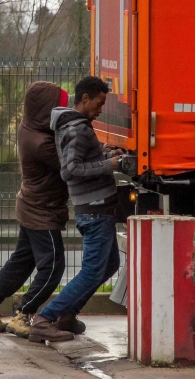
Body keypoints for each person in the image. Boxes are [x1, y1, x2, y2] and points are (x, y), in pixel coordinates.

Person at [0, 81, 73, 342]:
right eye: (59, 106)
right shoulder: (42, 143)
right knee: (52, 267)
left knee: (20, 263)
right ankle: (23, 314)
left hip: (31, 205)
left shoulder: (30, 128)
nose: (64, 110)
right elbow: (71, 167)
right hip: (42, 212)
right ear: (45, 109)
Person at [28, 76, 122, 343]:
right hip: (94, 209)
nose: (101, 109)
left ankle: (68, 313)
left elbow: (83, 160)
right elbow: (70, 170)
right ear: (85, 99)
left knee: (111, 263)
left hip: (96, 208)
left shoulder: (75, 125)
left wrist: (106, 156)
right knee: (92, 271)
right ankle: (45, 318)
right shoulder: (77, 128)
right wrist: (110, 165)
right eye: (99, 103)